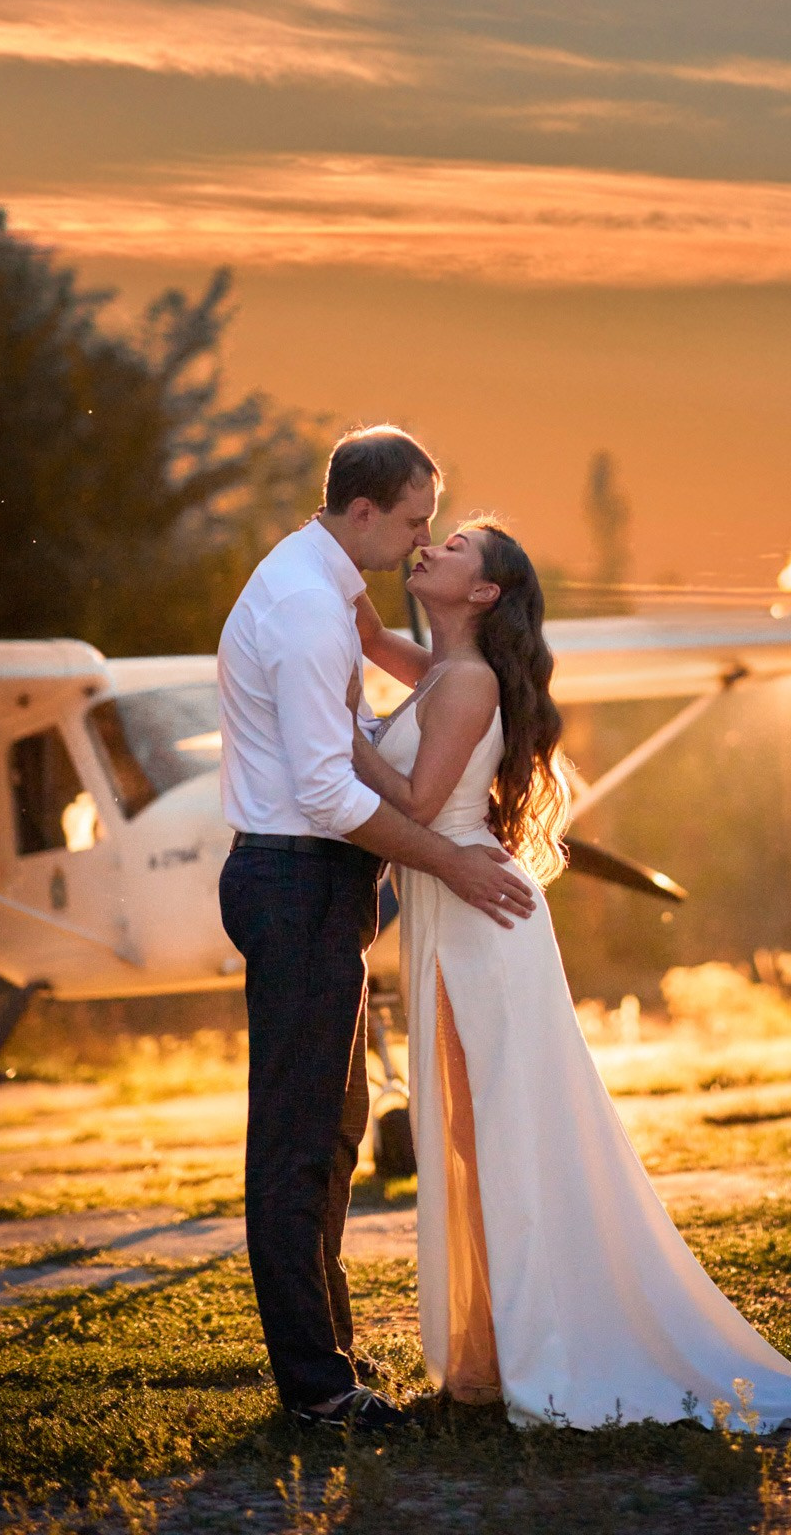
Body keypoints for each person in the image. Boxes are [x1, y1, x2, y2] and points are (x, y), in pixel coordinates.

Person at [351, 518, 791, 1433]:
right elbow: (391, 656)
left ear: (483, 594)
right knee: (470, 1133)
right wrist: (356, 630)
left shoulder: (472, 681)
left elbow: (409, 801)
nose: (431, 548)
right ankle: (494, 1347)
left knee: (496, 1131)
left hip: (476, 918)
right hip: (461, 911)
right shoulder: (449, 673)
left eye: (453, 547)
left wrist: (333, 733)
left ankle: (535, 1347)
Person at [217, 426, 534, 1431]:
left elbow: (379, 675)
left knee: (334, 1132)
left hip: (313, 885)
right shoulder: (308, 607)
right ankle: (315, 1390)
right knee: (297, 1145)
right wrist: (446, 859)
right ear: (361, 513)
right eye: (411, 522)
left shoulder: (319, 584)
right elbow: (321, 787)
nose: (418, 542)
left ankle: (330, 1368)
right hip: (296, 879)